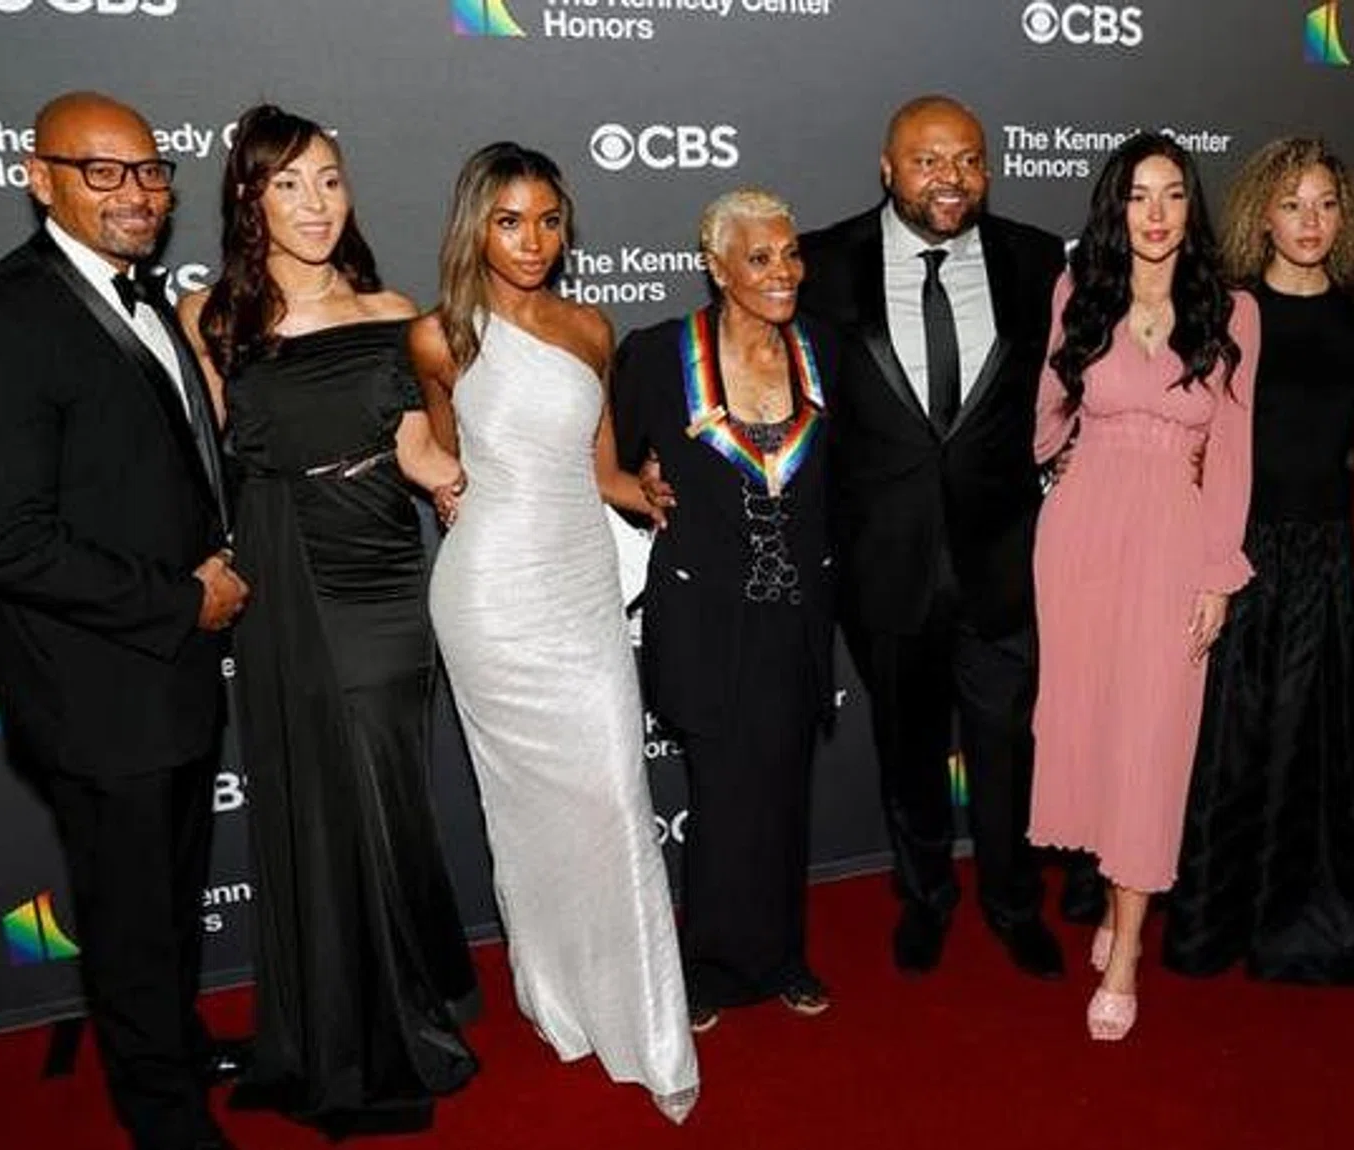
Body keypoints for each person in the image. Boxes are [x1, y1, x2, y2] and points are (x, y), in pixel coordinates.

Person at [0, 91, 246, 1150]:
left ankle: (172, 1046)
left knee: (166, 897)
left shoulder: (143, 295)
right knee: (127, 912)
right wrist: (181, 597)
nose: (137, 192)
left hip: (172, 670)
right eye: (102, 171)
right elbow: (6, 541)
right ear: (38, 176)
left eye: (150, 171)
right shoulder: (0, 321)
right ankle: (164, 1116)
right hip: (93, 683)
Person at [176, 104, 477, 1137]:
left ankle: (409, 991)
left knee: (389, 792)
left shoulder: (395, 308)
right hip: (289, 566)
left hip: (390, 574)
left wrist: (484, 492)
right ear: (250, 197)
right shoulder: (212, 317)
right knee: (326, 795)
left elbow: (420, 452)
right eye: (289, 183)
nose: (314, 203)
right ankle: (355, 1035)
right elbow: (200, 464)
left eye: (330, 180)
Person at [412, 142, 698, 1123]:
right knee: (522, 812)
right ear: (474, 227)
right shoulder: (440, 337)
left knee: (617, 795)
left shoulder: (588, 325)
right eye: (508, 221)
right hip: (491, 595)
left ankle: (649, 1022)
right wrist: (448, 484)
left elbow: (600, 463)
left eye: (547, 220)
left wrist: (645, 491)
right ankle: (556, 995)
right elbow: (450, 455)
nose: (532, 241)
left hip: (580, 587)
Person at [799, 94, 1076, 980]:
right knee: (908, 754)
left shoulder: (1035, 260)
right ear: (887, 167)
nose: (949, 178)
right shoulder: (821, 263)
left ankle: (1012, 902)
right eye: (927, 160)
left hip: (1003, 562)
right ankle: (924, 900)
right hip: (885, 565)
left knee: (1009, 752)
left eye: (967, 160)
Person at [1028, 131, 1258, 1041]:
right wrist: (1070, 452)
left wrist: (1217, 574)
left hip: (1174, 532)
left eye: (1171, 195)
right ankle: (1110, 901)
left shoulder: (1233, 310)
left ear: (1191, 208)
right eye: (1136, 196)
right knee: (1089, 724)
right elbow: (1048, 414)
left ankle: (1125, 951)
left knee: (1154, 743)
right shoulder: (1078, 291)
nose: (1155, 215)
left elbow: (1233, 454)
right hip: (1080, 532)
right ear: (1113, 209)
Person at [611, 189, 838, 1032]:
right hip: (704, 614)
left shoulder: (823, 352)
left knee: (783, 793)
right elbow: (608, 461)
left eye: (790, 255)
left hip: (796, 616)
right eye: (759, 258)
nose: (781, 273)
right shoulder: (658, 354)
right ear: (716, 266)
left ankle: (784, 955)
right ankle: (706, 966)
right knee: (718, 796)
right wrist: (640, 489)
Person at [1164, 137, 1354, 985]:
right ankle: (1213, 920)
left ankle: (1302, 922)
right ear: (1263, 212)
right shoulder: (1224, 310)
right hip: (1238, 550)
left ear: (1347, 216)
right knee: (1228, 739)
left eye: (1327, 204)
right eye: (1293, 204)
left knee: (1312, 742)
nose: (1310, 221)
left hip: (1326, 553)